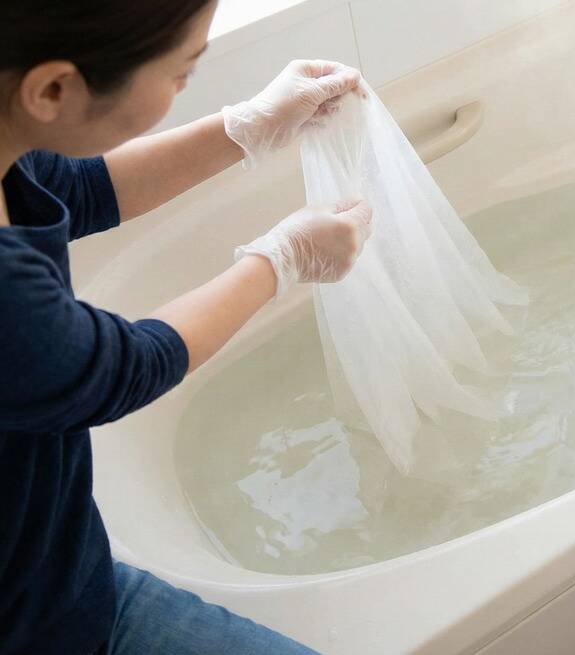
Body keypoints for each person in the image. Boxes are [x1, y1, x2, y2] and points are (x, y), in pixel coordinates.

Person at [0, 1, 373, 653]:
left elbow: (75, 188)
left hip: (61, 584)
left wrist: (246, 128)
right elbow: (120, 368)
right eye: (181, 71)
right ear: (54, 87)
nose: (184, 87)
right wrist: (281, 260)